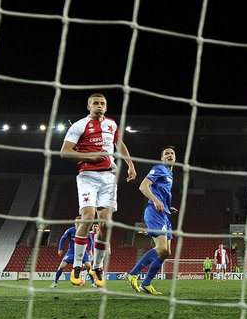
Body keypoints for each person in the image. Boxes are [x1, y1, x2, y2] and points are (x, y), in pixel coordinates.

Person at [60, 92, 137, 287]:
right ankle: (77, 266)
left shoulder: (111, 124)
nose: (99, 106)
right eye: (95, 103)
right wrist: (91, 157)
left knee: (106, 224)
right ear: (89, 106)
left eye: (102, 103)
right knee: (88, 217)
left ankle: (97, 267)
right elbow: (65, 152)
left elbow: (119, 144)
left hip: (109, 177)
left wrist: (130, 164)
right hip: (88, 177)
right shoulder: (79, 125)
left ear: (106, 106)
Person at [127, 146, 178, 296]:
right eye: (166, 154)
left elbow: (161, 192)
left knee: (166, 252)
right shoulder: (159, 168)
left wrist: (168, 207)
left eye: (172, 153)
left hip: (164, 214)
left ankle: (147, 283)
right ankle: (133, 273)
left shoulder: (169, 173)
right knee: (161, 248)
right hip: (154, 212)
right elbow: (143, 187)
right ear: (162, 158)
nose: (170, 155)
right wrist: (156, 201)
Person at [51, 221, 98, 288]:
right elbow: (63, 238)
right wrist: (60, 248)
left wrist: (90, 250)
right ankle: (55, 282)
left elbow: (90, 240)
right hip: (71, 252)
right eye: (77, 223)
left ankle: (93, 283)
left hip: (83, 252)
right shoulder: (70, 230)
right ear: (75, 223)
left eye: (80, 223)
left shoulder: (85, 231)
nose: (79, 224)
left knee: (89, 266)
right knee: (61, 266)